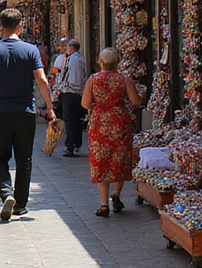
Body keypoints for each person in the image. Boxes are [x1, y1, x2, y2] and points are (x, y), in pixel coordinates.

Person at [0, 8, 56, 221]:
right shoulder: (30, 50)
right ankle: (20, 204)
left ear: (1, 26)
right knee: (24, 158)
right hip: (25, 111)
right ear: (20, 26)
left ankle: (6, 193)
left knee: (0, 157)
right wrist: (50, 107)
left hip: (0, 111)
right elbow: (41, 80)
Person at [82, 46, 142, 215]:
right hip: (119, 122)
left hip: (99, 124)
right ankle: (116, 195)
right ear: (117, 63)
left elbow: (85, 104)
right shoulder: (124, 80)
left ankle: (103, 204)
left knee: (101, 161)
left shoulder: (92, 80)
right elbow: (135, 101)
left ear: (101, 63)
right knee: (119, 159)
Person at [59, 39, 87, 157]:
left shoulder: (75, 60)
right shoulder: (77, 59)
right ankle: (75, 143)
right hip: (75, 93)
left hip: (71, 93)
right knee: (75, 120)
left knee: (70, 120)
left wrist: (66, 86)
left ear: (71, 48)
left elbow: (75, 79)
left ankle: (71, 145)